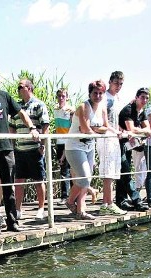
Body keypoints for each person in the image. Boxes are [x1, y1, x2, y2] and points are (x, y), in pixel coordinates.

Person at [0, 65, 38, 235]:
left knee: (8, 187)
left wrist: (32, 127)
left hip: (6, 148)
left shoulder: (4, 95)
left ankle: (13, 221)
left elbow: (21, 113)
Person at [63, 80, 114, 220]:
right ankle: (69, 201)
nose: (97, 96)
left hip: (89, 146)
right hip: (74, 146)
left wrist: (95, 129)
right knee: (84, 178)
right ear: (90, 93)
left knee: (87, 179)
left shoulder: (102, 108)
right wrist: (96, 130)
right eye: (95, 93)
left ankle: (81, 210)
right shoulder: (83, 106)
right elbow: (84, 129)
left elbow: (105, 127)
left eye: (100, 93)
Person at [10, 78, 50, 220]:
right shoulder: (17, 107)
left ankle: (40, 209)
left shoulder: (39, 105)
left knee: (39, 179)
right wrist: (13, 145)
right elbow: (12, 126)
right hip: (20, 149)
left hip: (34, 148)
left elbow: (45, 126)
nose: (18, 89)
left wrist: (43, 145)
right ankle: (18, 210)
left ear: (29, 88)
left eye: (21, 87)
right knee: (19, 180)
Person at [116, 87, 151, 211]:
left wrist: (142, 130)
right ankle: (137, 200)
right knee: (125, 171)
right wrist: (142, 131)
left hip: (128, 145)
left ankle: (121, 200)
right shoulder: (128, 110)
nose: (144, 100)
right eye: (142, 97)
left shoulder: (142, 111)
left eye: (147, 98)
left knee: (123, 172)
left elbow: (148, 128)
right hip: (118, 143)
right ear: (136, 97)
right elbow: (132, 128)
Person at [99, 71, 127, 213]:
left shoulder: (119, 98)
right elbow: (103, 120)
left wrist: (122, 130)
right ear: (110, 82)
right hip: (106, 137)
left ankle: (107, 203)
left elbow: (119, 120)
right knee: (108, 170)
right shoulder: (104, 98)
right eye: (116, 83)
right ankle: (108, 203)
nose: (118, 86)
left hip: (116, 137)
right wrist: (114, 131)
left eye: (121, 84)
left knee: (114, 170)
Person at [53, 88, 73, 203]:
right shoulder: (56, 110)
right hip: (59, 142)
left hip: (68, 142)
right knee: (63, 169)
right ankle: (66, 196)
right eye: (59, 96)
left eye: (63, 96)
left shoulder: (70, 110)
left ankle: (67, 197)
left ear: (67, 97)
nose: (61, 98)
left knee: (69, 170)